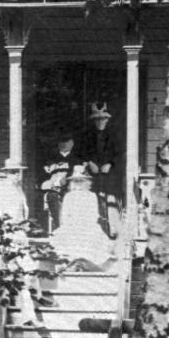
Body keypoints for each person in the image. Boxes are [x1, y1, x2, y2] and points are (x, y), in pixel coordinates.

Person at [79, 101, 121, 240]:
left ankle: (113, 230)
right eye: (97, 119)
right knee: (93, 199)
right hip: (93, 174)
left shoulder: (114, 135)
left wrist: (110, 163)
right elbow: (81, 153)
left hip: (110, 174)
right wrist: (90, 163)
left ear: (107, 120)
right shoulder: (87, 136)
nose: (100, 122)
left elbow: (119, 154)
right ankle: (95, 230)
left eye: (103, 119)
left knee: (110, 199)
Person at [40, 134, 80, 233]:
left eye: (67, 141)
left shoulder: (77, 159)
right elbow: (43, 176)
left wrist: (65, 182)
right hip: (54, 189)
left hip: (70, 188)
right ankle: (59, 226)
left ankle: (71, 228)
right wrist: (47, 183)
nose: (64, 144)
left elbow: (78, 177)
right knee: (52, 196)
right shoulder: (50, 159)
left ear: (72, 143)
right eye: (61, 141)